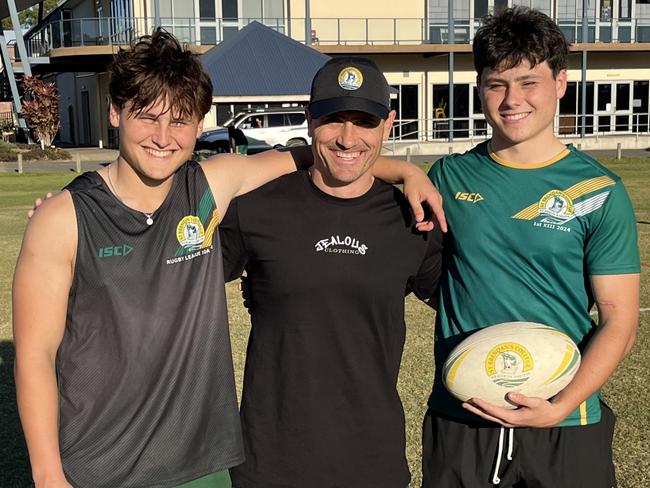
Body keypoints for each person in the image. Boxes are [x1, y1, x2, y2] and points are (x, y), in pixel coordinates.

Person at [13, 32, 441, 488]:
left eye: (179, 121)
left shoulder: (209, 191)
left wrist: (405, 170)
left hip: (204, 465)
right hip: (103, 464)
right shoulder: (63, 218)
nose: (162, 137)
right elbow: (35, 355)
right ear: (115, 112)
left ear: (199, 126)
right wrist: (47, 475)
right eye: (147, 117)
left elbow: (321, 155)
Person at [422, 7, 640, 488]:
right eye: (496, 84)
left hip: (564, 422)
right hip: (463, 419)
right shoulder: (447, 178)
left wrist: (560, 405)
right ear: (479, 86)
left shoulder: (599, 190)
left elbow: (619, 321)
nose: (510, 100)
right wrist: (402, 170)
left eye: (528, 82)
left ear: (561, 82)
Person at [218, 57, 444, 488]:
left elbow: (463, 303)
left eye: (364, 121)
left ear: (389, 124)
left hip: (371, 462)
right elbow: (176, 274)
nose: (347, 138)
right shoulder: (257, 208)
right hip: (270, 463)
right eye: (333, 120)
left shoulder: (411, 218)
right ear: (309, 119)